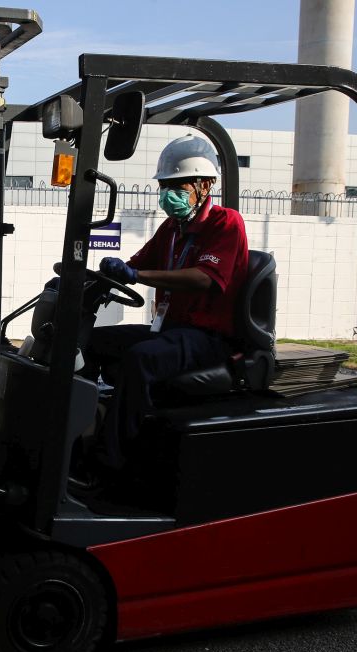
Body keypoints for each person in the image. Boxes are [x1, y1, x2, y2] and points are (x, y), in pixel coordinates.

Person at [87, 134, 250, 472]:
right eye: (165, 185)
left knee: (140, 358)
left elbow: (205, 278)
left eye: (178, 185)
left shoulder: (226, 223)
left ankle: (114, 461)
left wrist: (137, 276)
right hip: (171, 331)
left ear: (204, 185)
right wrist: (99, 276)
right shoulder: (171, 229)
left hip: (208, 338)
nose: (168, 194)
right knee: (92, 341)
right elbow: (136, 263)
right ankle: (82, 429)